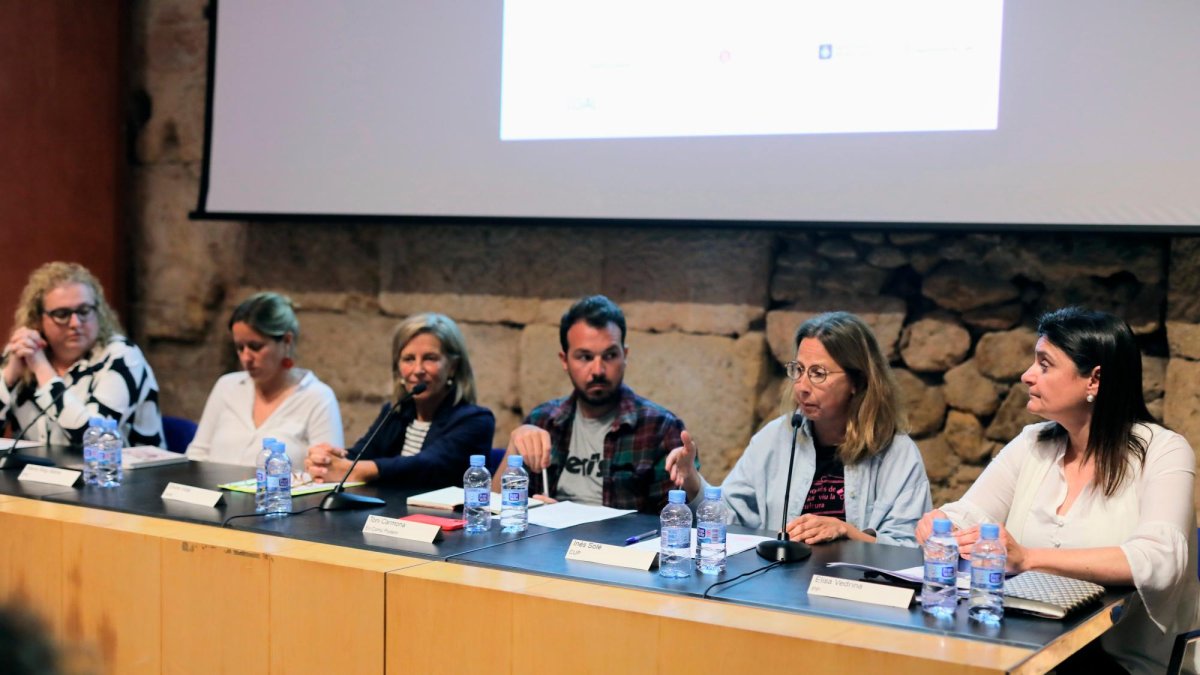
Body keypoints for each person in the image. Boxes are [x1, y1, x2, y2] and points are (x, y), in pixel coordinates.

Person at [916, 307, 1199, 674]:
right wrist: (941, 522)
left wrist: (1028, 557)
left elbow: (1160, 560)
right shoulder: (1033, 443)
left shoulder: (1163, 451)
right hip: (1028, 648)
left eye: (1045, 364)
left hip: (1124, 661)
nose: (1027, 375)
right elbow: (970, 512)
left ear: (1093, 380)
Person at [667, 311, 931, 547]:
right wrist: (691, 478)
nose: (802, 386)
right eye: (799, 370)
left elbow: (909, 548)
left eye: (818, 373)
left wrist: (846, 531)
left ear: (857, 381)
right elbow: (734, 519)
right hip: (781, 585)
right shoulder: (776, 438)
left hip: (857, 589)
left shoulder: (896, 451)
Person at [493, 295, 692, 514]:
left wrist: (566, 516)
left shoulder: (659, 428)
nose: (598, 370)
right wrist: (513, 447)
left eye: (610, 355)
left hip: (620, 546)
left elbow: (674, 522)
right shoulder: (542, 420)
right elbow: (494, 511)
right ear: (564, 360)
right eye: (585, 357)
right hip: (547, 544)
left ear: (624, 356)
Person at [305, 313, 493, 488]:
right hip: (391, 520)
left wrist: (357, 470)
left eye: (430, 358)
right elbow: (362, 454)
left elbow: (428, 465)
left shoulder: (476, 420)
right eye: (408, 359)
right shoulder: (397, 411)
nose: (417, 370)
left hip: (443, 521)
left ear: (453, 366)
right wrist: (328, 460)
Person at [0, 262, 162, 446]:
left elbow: (94, 439)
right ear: (38, 319)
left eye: (84, 311)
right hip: (35, 474)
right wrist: (9, 377)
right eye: (62, 314)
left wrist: (42, 369)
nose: (76, 323)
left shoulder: (122, 357)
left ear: (98, 311)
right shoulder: (25, 353)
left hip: (119, 474)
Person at [186, 292, 343, 468]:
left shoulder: (317, 397)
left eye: (255, 346)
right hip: (215, 493)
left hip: (280, 495)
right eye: (239, 347)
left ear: (286, 341)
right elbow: (197, 454)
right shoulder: (227, 386)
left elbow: (329, 471)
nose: (246, 357)